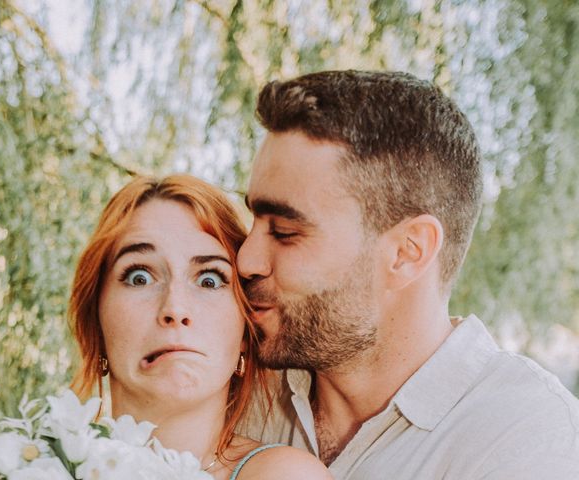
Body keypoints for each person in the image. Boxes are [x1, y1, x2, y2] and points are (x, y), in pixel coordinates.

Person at [237, 70, 579, 479]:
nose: (245, 260)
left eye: (285, 232)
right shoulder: (235, 390)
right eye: (253, 221)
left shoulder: (528, 441)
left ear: (407, 252)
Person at [68, 175, 333, 480]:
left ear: (245, 335)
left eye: (210, 280)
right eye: (139, 277)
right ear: (95, 322)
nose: (175, 309)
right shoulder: (33, 459)